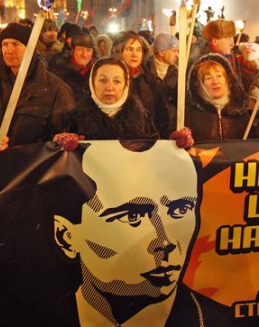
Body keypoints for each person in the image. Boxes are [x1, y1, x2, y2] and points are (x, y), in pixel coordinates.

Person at [50, 140, 231, 326]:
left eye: (180, 209)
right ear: (66, 236)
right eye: (132, 216)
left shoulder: (222, 321)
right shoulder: (28, 316)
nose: (165, 242)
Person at [0, 23, 75, 146]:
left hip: (34, 163)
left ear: (30, 48)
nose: (9, 50)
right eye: (5, 44)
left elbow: (60, 137)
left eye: (16, 44)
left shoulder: (54, 88)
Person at [56, 57, 158, 140]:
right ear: (92, 83)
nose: (109, 88)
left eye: (117, 81)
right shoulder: (73, 120)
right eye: (103, 80)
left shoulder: (142, 118)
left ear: (126, 85)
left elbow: (153, 152)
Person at [115, 31, 171, 137]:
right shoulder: (108, 79)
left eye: (139, 50)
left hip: (147, 144)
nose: (134, 54)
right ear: (119, 50)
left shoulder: (151, 81)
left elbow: (162, 117)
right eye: (129, 49)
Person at [185, 54, 250, 141]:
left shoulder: (241, 115)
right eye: (208, 78)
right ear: (200, 85)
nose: (215, 82)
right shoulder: (189, 116)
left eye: (219, 76)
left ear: (227, 80)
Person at [49, 33, 96, 102]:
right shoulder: (59, 68)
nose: (84, 54)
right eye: (80, 49)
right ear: (73, 51)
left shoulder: (97, 70)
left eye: (88, 50)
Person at [146, 32, 179, 114]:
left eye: (178, 51)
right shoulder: (144, 71)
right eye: (174, 51)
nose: (177, 55)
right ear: (161, 52)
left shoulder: (178, 74)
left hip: (170, 123)